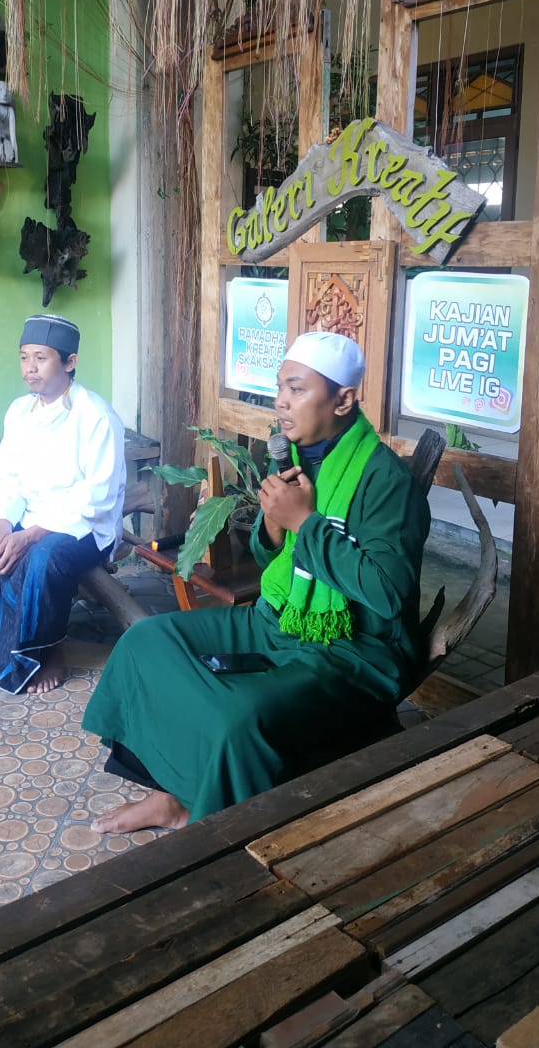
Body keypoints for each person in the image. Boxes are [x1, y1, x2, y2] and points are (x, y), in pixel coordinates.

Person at [83, 331, 430, 832]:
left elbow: (388, 593)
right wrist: (274, 526)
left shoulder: (385, 481)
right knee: (144, 643)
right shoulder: (292, 458)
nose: (281, 402)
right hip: (277, 619)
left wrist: (304, 521)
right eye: (280, 387)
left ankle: (216, 828)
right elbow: (274, 559)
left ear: (343, 400)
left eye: (297, 389)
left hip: (352, 648)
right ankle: (171, 793)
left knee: (236, 717)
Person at [0, 314, 126, 695]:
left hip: (83, 529)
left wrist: (27, 537)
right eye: (24, 357)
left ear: (70, 362)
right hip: (23, 518)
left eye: (41, 358)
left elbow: (95, 499)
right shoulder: (18, 412)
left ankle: (45, 651)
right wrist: (2, 526)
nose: (30, 368)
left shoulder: (97, 417)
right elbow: (6, 478)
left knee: (42, 558)